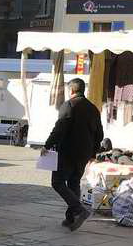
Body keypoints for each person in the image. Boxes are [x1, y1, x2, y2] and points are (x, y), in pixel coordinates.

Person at [44, 77, 103, 231]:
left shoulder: (69, 105)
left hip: (67, 151)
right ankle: (71, 218)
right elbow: (99, 134)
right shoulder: (93, 108)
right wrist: (93, 153)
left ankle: (79, 209)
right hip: (84, 153)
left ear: (71, 90)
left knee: (57, 182)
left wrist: (47, 145)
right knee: (74, 182)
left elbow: (60, 128)